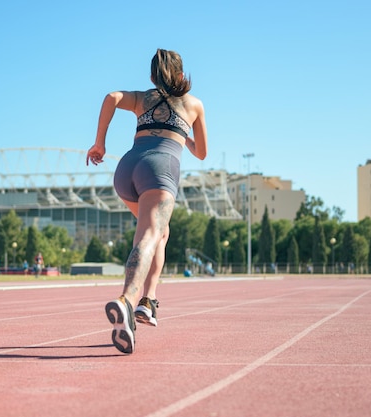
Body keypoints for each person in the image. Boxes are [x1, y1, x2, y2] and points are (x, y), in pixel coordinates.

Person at [86, 48, 208, 354]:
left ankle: (148, 301)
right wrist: (183, 131)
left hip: (127, 169)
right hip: (160, 170)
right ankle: (127, 299)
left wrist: (100, 143)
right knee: (150, 235)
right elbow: (202, 152)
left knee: (160, 233)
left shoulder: (142, 97)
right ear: (181, 76)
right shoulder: (194, 105)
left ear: (152, 77)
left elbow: (112, 97)